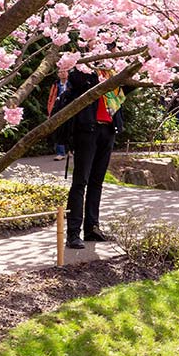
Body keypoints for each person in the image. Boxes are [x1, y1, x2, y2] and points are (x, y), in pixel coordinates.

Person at [63, 66, 124, 249]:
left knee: (97, 182)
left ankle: (92, 228)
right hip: (87, 130)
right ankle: (73, 233)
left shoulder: (112, 73)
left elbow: (124, 93)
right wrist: (93, 68)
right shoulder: (83, 70)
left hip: (108, 130)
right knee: (80, 182)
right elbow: (75, 83)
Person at [46, 68, 71, 160]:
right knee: (58, 130)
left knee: (69, 129)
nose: (62, 73)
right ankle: (61, 153)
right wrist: (50, 111)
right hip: (57, 109)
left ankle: (69, 150)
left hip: (70, 108)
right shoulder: (56, 85)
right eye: (60, 72)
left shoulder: (71, 84)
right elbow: (51, 98)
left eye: (64, 71)